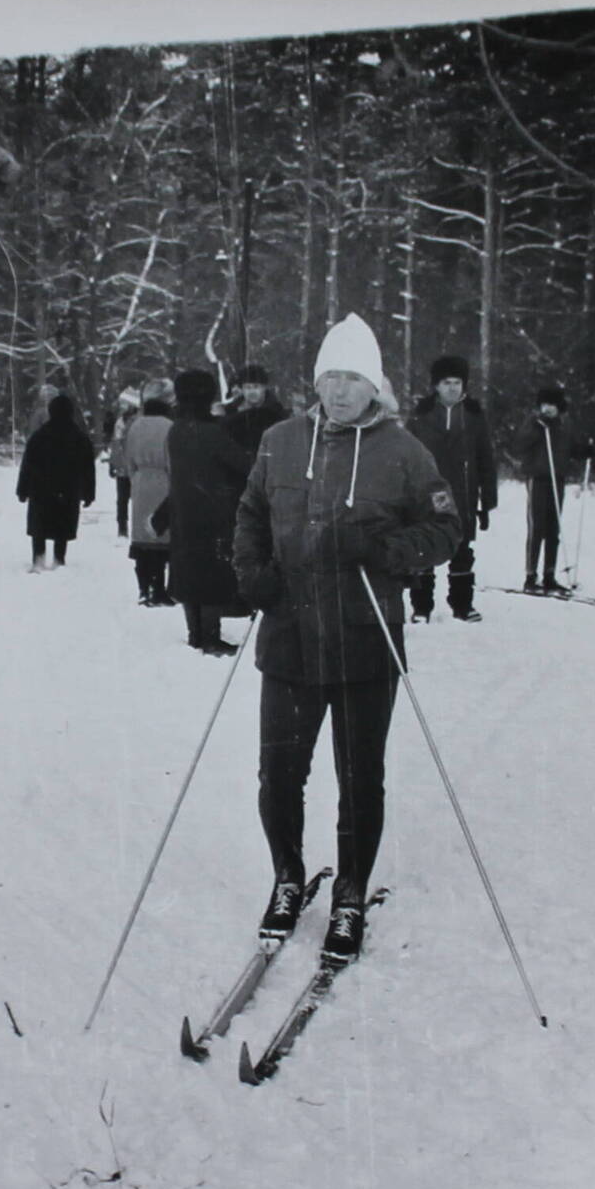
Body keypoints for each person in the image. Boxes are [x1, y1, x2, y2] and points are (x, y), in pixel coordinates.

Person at [234, 312, 461, 964]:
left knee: (360, 779)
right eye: (330, 377)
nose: (338, 391)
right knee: (278, 775)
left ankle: (351, 893)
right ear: (316, 381)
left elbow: (448, 532)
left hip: (365, 643)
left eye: (352, 379)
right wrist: (251, 572)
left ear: (375, 386)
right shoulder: (279, 441)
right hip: (289, 641)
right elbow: (250, 514)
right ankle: (286, 878)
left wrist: (388, 547)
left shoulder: (406, 452)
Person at [159, 369, 252, 655]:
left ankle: (195, 634)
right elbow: (243, 465)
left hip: (183, 511)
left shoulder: (176, 430)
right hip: (213, 512)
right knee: (212, 573)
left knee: (189, 572)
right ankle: (211, 637)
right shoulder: (213, 432)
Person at [406, 355, 497, 622]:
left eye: (457, 382)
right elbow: (406, 458)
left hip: (463, 496)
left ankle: (462, 604)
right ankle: (421, 607)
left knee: (462, 551)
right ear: (436, 385)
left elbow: (486, 461)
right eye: (447, 382)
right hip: (428, 496)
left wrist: (487, 502)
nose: (453, 388)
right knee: (424, 550)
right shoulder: (420, 416)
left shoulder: (473, 416)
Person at [16, 393, 96, 571]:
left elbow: (27, 465)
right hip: (68, 490)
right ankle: (59, 559)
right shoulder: (79, 438)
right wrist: (89, 492)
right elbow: (88, 468)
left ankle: (38, 558)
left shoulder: (39, 436)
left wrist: (22, 489)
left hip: (41, 489)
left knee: (40, 526)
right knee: (63, 525)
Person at [517, 386, 577, 595]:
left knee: (554, 527)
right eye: (544, 404)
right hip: (538, 478)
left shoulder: (564, 424)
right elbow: (521, 443)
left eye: (552, 404)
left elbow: (572, 447)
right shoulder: (534, 422)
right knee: (537, 527)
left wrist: (585, 449)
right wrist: (538, 429)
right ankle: (530, 576)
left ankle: (549, 575)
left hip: (557, 479)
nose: (548, 409)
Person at [123, 382, 174, 605]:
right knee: (162, 536)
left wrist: (136, 477)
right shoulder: (171, 426)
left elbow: (128, 459)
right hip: (165, 482)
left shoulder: (135, 425)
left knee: (142, 537)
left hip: (141, 482)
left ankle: (143, 587)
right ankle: (160, 589)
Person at [225, 364, 286, 460]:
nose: (252, 392)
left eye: (256, 387)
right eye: (248, 388)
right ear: (242, 389)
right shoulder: (231, 411)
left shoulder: (276, 413)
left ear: (264, 388)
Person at [109, 386, 141, 538]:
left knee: (125, 500)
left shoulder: (128, 422)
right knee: (128, 500)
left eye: (124, 403)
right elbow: (116, 444)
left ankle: (126, 527)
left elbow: (117, 444)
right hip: (131, 468)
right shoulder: (127, 422)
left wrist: (114, 463)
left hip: (129, 468)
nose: (121, 406)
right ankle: (127, 527)